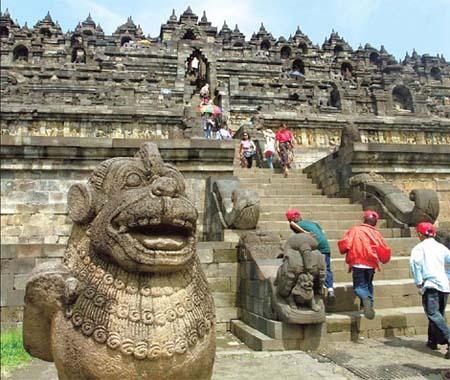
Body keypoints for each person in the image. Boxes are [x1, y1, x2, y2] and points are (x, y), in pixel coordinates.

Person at [338, 210, 391, 319]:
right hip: (371, 263)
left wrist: (343, 250)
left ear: (364, 219)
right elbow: (383, 248)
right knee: (368, 283)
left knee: (359, 287)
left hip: (357, 262)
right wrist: (384, 259)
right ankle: (369, 304)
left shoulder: (354, 230)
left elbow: (345, 244)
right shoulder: (376, 233)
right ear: (375, 222)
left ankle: (366, 299)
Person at [410, 222, 450, 359]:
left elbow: (415, 265)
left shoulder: (418, 248)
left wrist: (419, 282)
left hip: (431, 284)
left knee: (432, 313)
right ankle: (432, 340)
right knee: (438, 314)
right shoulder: (442, 248)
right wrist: (448, 276)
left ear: (420, 234)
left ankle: (448, 337)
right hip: (444, 285)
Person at [286, 208, 335, 303]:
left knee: (309, 266)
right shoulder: (311, 223)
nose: (289, 222)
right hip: (325, 246)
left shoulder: (296, 225)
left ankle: (317, 291)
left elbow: (292, 225)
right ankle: (330, 290)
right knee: (327, 269)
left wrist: (304, 232)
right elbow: (322, 232)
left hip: (315, 246)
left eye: (289, 220)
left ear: (293, 219)